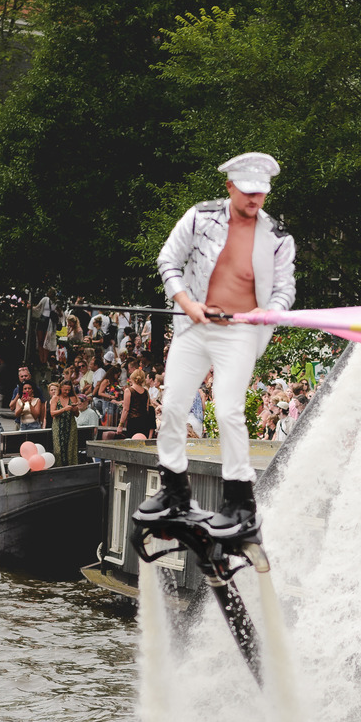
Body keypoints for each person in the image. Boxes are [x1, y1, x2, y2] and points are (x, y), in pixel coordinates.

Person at [138, 152, 296, 538]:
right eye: (247, 193)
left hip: (240, 331)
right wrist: (188, 305)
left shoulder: (277, 236)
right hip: (194, 325)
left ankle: (240, 501)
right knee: (173, 404)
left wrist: (267, 312)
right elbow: (168, 261)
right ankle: (174, 489)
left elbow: (284, 291)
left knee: (228, 411)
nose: (255, 200)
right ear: (230, 187)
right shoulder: (199, 217)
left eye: (261, 193)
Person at [117, 367, 155, 440]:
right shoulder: (146, 392)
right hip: (144, 422)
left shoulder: (129, 391)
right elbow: (147, 409)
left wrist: (121, 424)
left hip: (133, 422)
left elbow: (125, 409)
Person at [48, 380, 79, 468]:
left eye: (69, 390)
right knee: (59, 448)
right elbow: (52, 413)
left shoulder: (72, 398)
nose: (67, 392)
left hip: (71, 425)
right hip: (58, 425)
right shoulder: (55, 398)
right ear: (61, 388)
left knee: (71, 447)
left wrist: (74, 409)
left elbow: (77, 415)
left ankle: (72, 467)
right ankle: (59, 467)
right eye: (65, 390)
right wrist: (64, 409)